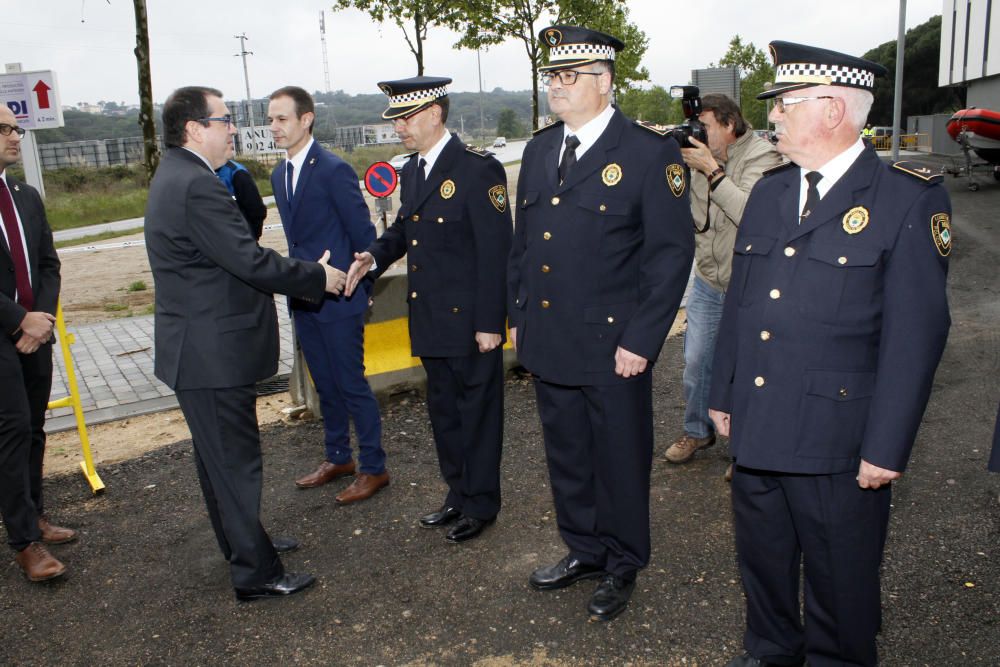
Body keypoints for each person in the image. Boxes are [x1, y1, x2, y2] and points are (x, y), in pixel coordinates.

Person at [708, 42, 951, 667]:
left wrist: (886, 445)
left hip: (837, 436)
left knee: (841, 578)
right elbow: (742, 304)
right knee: (761, 557)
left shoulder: (906, 198)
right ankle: (769, 650)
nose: (775, 118)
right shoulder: (768, 192)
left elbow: (915, 336)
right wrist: (723, 393)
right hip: (759, 421)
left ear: (833, 109)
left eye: (786, 104)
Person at [508, 25, 694, 621]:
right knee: (567, 455)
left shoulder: (647, 152)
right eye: (552, 78)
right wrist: (519, 317)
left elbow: (669, 256)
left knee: (618, 459)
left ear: (605, 81)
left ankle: (622, 562)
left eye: (569, 77)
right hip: (551, 339)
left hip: (614, 345)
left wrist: (642, 338)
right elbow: (523, 246)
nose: (557, 88)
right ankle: (584, 549)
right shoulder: (539, 150)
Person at [144, 86, 346, 601]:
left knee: (219, 462)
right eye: (225, 119)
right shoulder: (196, 185)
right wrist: (317, 276)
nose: (233, 128)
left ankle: (244, 543)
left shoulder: (179, 175)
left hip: (201, 350)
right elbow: (250, 261)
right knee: (234, 462)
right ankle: (256, 572)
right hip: (212, 354)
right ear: (194, 128)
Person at [345, 76, 512, 543]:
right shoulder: (414, 170)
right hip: (431, 319)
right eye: (395, 118)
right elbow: (403, 231)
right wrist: (373, 258)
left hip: (470, 323)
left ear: (435, 114)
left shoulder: (479, 170)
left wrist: (489, 323)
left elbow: (497, 252)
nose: (399, 127)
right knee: (444, 413)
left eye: (406, 117)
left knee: (477, 415)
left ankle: (481, 504)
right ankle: (457, 493)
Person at [267, 86, 389, 504]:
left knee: (351, 384)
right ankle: (339, 457)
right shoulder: (278, 174)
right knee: (325, 384)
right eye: (270, 120)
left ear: (306, 119)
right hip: (304, 297)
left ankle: (374, 467)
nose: (274, 128)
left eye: (282, 119)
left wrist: (364, 288)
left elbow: (364, 238)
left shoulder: (334, 170)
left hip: (341, 299)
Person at [665, 94, 781, 468]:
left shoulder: (762, 156)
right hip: (708, 281)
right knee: (697, 362)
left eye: (706, 127)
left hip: (749, 285)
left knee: (748, 369)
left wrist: (712, 170)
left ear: (730, 125)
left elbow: (752, 212)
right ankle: (698, 431)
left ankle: (744, 448)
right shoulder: (696, 159)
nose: (697, 134)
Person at [0, 105, 77, 582]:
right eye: (5, 128)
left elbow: (48, 262)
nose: (15, 136)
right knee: (9, 433)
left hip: (36, 333)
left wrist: (41, 320)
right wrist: (18, 321)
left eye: (16, 127)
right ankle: (23, 542)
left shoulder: (25, 195)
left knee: (32, 428)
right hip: (5, 332)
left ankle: (35, 514)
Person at [216, 159, 267, 240]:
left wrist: (253, 235)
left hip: (241, 239)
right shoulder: (198, 169)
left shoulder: (237, 172)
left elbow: (256, 209)